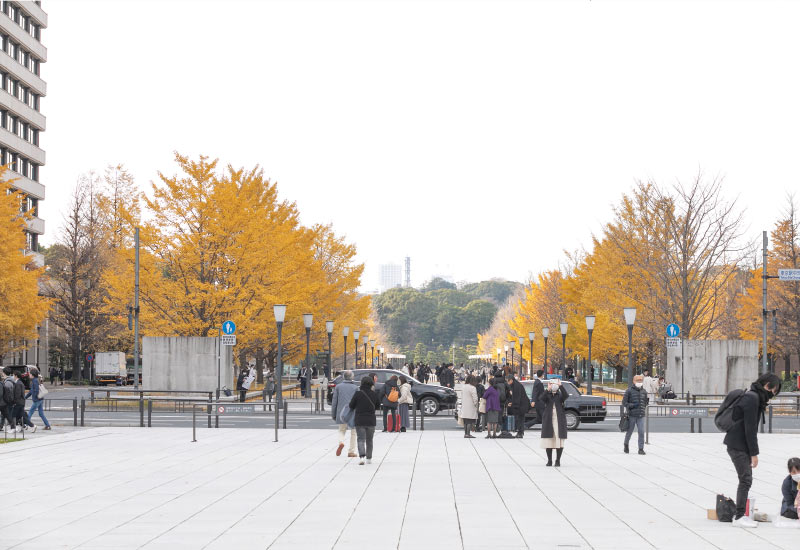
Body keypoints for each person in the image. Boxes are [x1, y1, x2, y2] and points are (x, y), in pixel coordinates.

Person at [724, 372, 782, 528]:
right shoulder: (753, 398)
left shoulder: (753, 396)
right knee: (745, 479)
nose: (773, 394)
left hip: (737, 443)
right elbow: (750, 429)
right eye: (774, 390)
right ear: (767, 386)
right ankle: (739, 517)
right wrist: (754, 454)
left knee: (745, 479)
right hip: (738, 445)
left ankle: (740, 514)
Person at [348, 375, 381, 465]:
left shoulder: (358, 394)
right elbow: (378, 406)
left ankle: (362, 457)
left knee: (360, 439)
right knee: (369, 440)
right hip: (371, 420)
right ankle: (369, 458)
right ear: (371, 383)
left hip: (360, 420)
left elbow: (351, 405)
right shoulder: (374, 394)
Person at [540, 378, 568, 467]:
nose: (553, 385)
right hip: (548, 419)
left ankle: (558, 460)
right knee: (548, 439)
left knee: (558, 439)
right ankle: (549, 460)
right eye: (552, 384)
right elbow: (541, 398)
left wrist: (561, 386)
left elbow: (566, 395)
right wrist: (547, 389)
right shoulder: (547, 395)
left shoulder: (560, 395)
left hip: (559, 419)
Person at [331, 370, 358, 458]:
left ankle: (341, 442)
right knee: (354, 432)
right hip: (352, 412)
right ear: (352, 377)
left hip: (341, 412)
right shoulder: (355, 387)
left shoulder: (338, 387)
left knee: (342, 430)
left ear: (343, 377)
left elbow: (334, 402)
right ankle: (351, 451)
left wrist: (333, 414)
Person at [622, 374, 649, 455]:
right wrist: (632, 405)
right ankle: (626, 444)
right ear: (634, 381)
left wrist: (644, 406)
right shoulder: (629, 390)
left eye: (641, 380)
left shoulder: (644, 391)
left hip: (641, 415)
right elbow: (624, 403)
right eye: (638, 380)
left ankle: (641, 449)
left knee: (641, 432)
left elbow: (645, 402)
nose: (639, 381)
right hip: (632, 415)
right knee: (629, 432)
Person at [506, 374, 531, 438]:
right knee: (520, 419)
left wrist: (513, 405)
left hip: (521, 405)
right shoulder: (515, 385)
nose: (507, 383)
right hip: (521, 405)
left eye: (508, 381)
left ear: (511, 380)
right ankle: (520, 432)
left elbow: (517, 397)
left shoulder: (516, 386)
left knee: (520, 419)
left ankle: (520, 433)